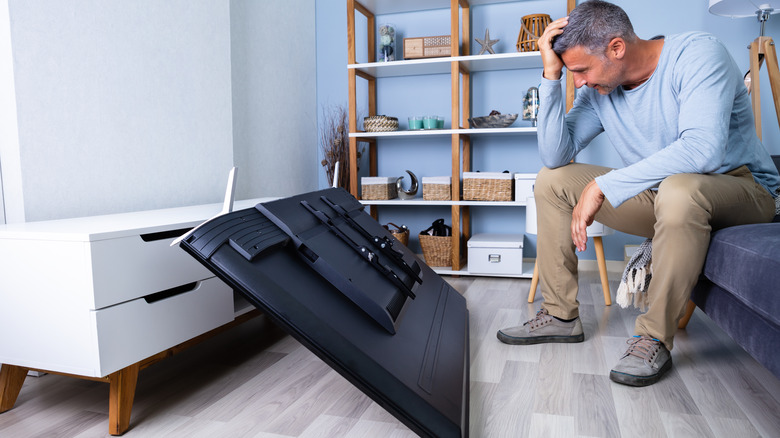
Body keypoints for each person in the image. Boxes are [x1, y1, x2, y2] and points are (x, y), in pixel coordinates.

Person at [497, 0, 780, 387]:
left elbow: (703, 150)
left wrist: (604, 185)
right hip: (667, 194)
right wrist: (550, 75)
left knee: (680, 189)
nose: (576, 81)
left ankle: (653, 337)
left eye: (579, 70)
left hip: (744, 188)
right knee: (551, 180)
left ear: (617, 48)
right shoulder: (599, 90)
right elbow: (555, 155)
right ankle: (561, 315)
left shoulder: (698, 53)